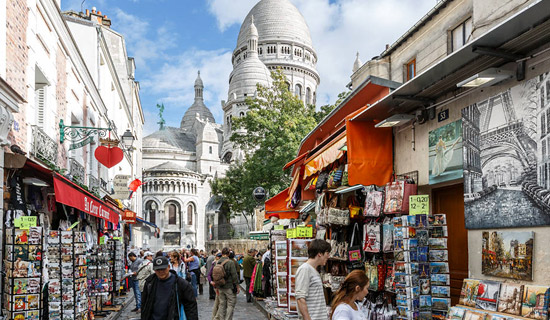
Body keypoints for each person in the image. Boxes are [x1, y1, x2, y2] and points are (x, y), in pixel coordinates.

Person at [141, 256, 198, 320]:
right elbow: (144, 304)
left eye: (163, 269)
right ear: (154, 270)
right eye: (158, 270)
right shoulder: (150, 283)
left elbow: (190, 306)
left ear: (168, 267)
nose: (161, 272)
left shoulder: (181, 283)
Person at [295, 239, 331, 320]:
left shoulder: (313, 270)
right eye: (327, 253)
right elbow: (300, 298)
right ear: (320, 254)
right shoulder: (305, 269)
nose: (328, 257)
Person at [213, 247, 239, 320]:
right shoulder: (230, 262)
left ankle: (221, 318)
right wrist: (237, 286)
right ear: (228, 254)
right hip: (229, 286)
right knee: (231, 304)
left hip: (220, 286)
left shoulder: (217, 262)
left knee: (222, 304)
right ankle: (228, 318)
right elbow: (234, 275)